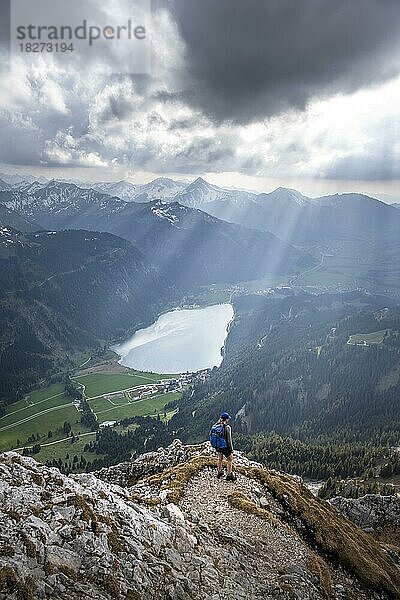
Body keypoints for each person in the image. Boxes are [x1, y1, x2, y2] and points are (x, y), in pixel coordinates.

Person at [211, 412, 236, 481]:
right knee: (230, 459)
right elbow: (229, 440)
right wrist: (231, 450)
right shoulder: (227, 427)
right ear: (226, 419)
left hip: (217, 446)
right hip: (224, 446)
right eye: (228, 419)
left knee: (220, 458)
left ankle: (219, 472)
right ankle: (229, 474)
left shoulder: (215, 426)